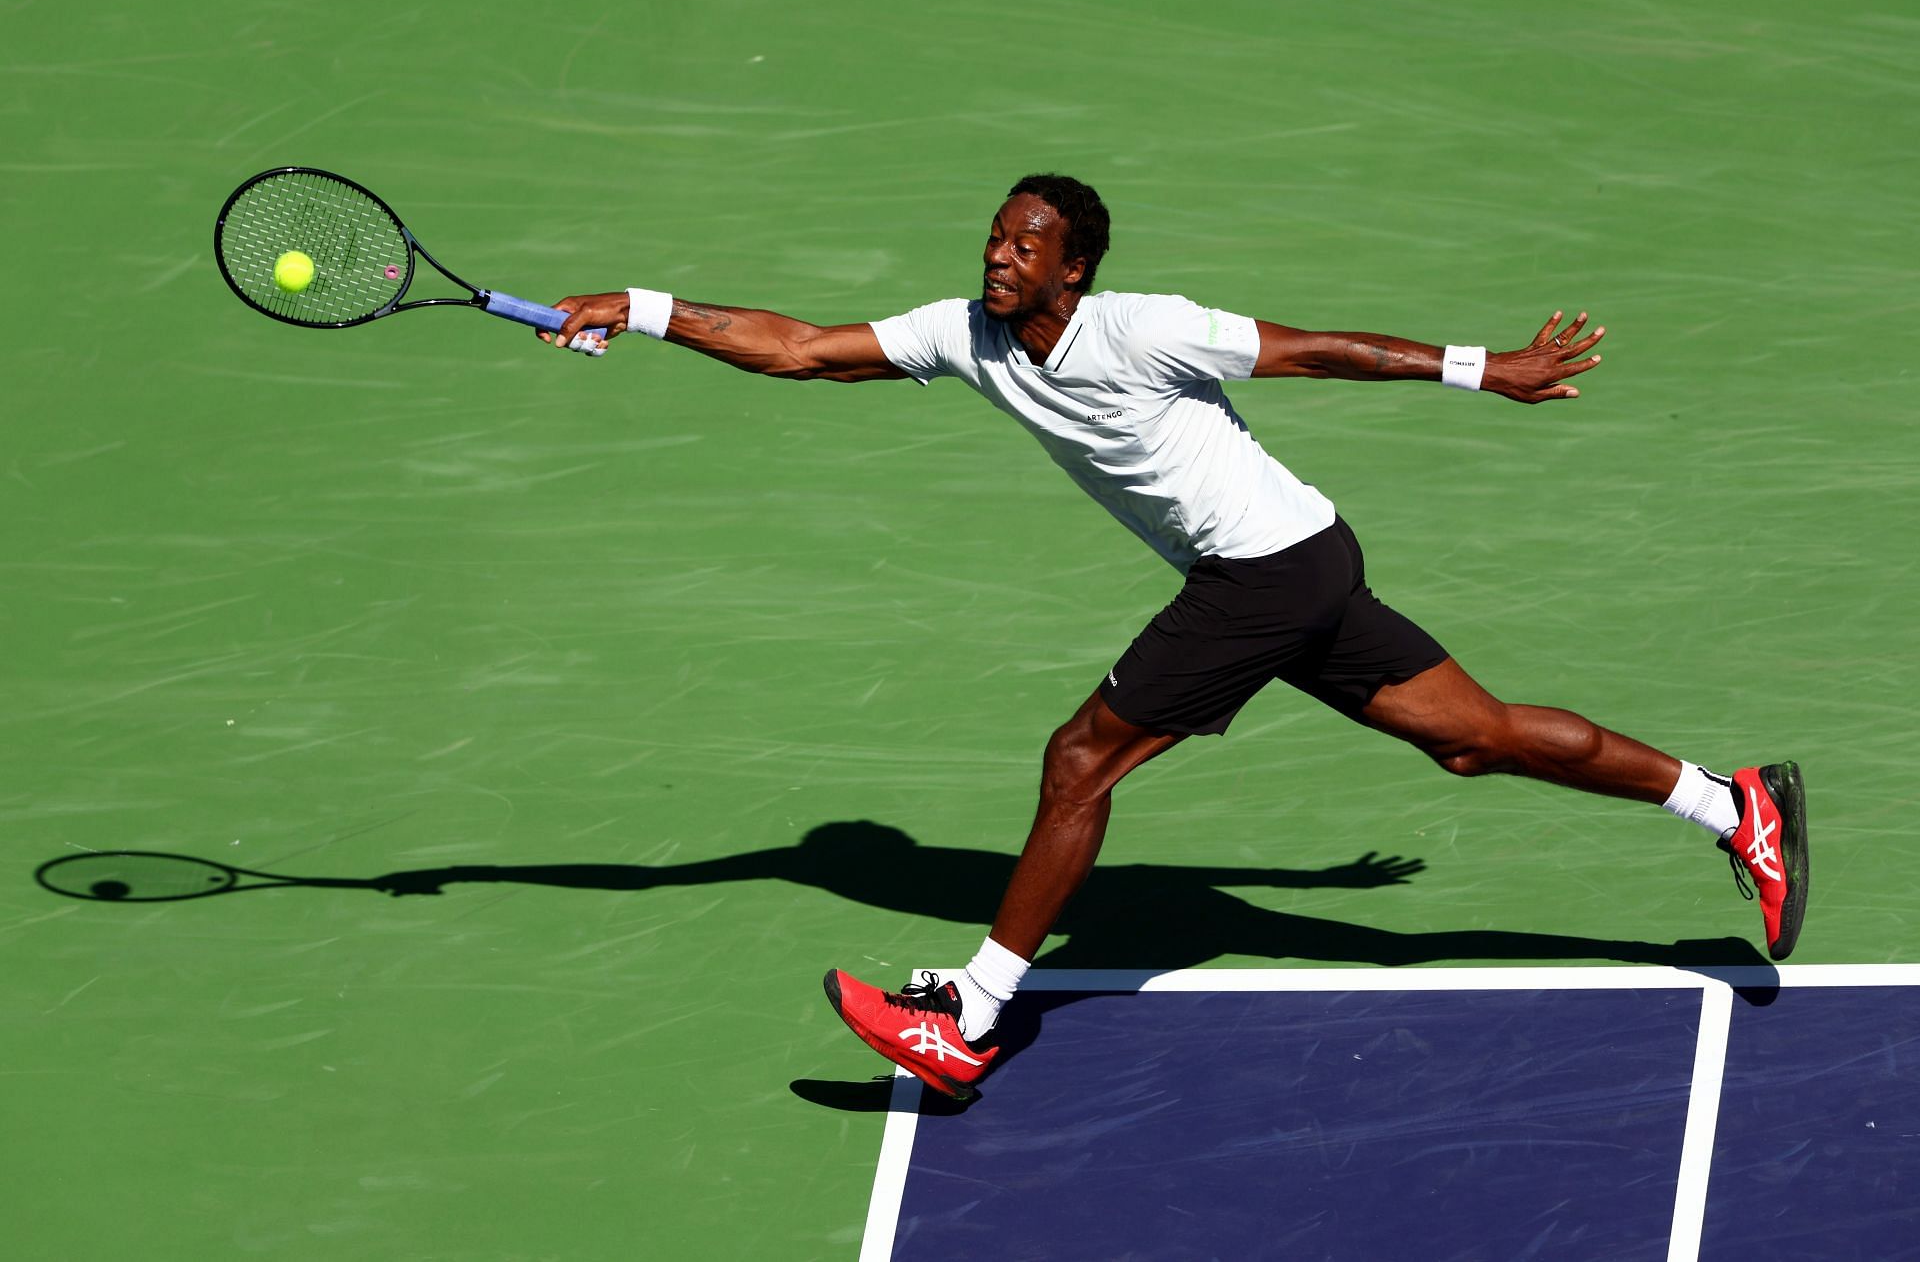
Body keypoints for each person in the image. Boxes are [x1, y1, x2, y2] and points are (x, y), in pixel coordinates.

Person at [542, 173, 1807, 1102]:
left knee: (1080, 760)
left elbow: (1316, 351)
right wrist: (642, 306)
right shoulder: (967, 337)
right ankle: (1729, 802)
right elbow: (804, 350)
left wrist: (1492, 369)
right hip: (1295, 561)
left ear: (1074, 269)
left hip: (1266, 574)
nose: (999, 254)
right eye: (995, 234)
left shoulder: (1145, 326)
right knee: (1470, 741)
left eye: (1027, 243)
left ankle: (969, 1019)